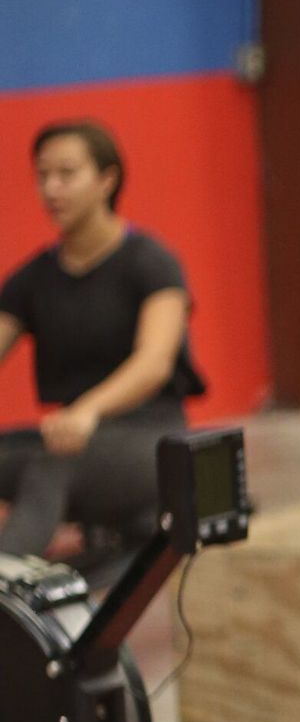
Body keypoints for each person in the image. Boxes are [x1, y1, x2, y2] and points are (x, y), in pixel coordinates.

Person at [0, 122, 205, 564]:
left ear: (106, 180)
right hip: (72, 436)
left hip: (148, 439)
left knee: (50, 466)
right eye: (42, 176)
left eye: (67, 174)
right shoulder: (33, 279)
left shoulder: (152, 263)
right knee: (48, 456)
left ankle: (6, 593)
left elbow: (153, 363)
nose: (51, 189)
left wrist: (88, 410)